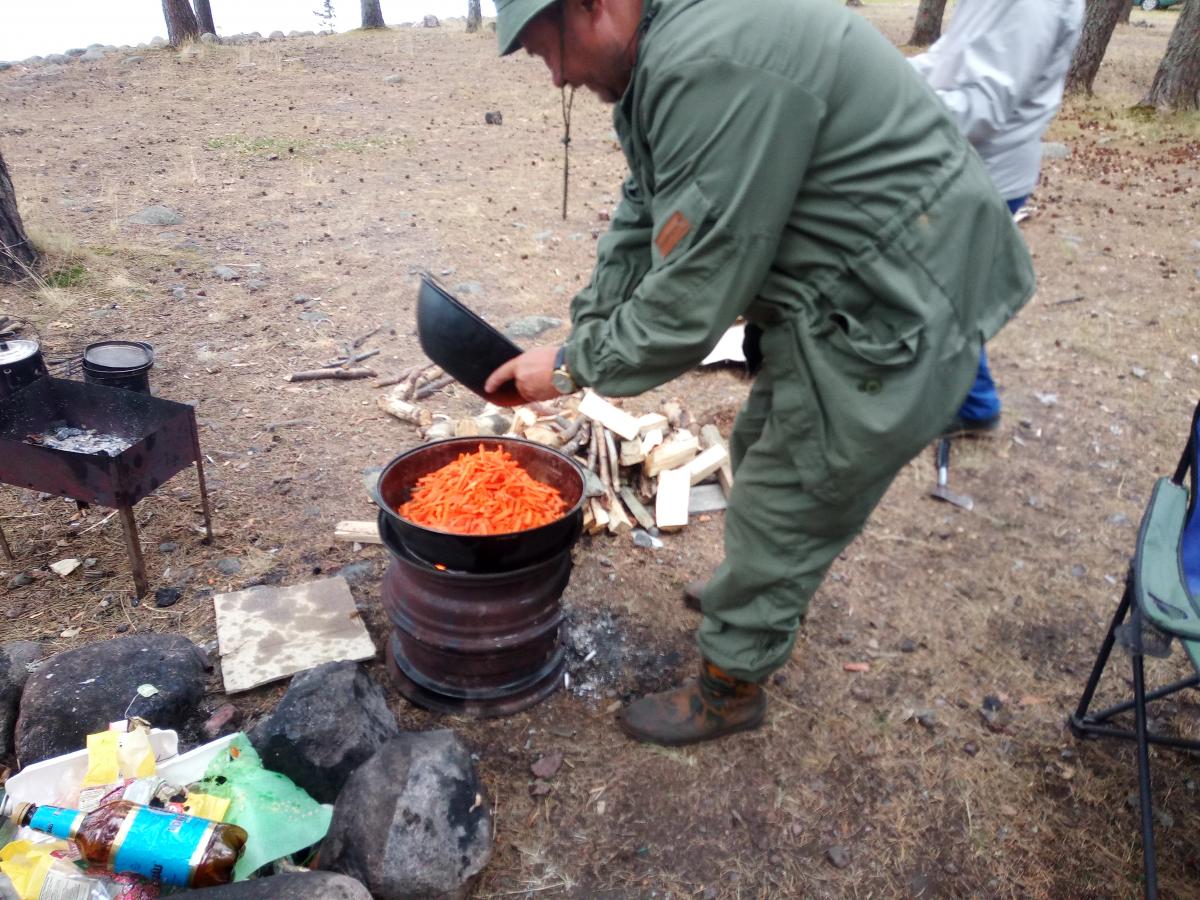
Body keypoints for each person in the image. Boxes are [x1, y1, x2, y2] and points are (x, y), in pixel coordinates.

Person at [485, 0, 1035, 746]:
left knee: (790, 495)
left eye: (548, 50)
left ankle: (730, 687)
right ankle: (752, 594)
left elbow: (692, 296)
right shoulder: (664, 51)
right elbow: (646, 208)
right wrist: (589, 324)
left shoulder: (706, 62)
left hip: (899, 294)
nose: (555, 78)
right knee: (760, 444)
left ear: (595, 5)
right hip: (843, 285)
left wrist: (572, 366)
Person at [910, 0, 1084, 434]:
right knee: (947, 289)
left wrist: (888, 105)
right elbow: (953, 55)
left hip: (985, 171)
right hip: (970, 165)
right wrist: (883, 73)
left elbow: (982, 106)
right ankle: (972, 400)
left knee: (944, 293)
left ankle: (973, 404)